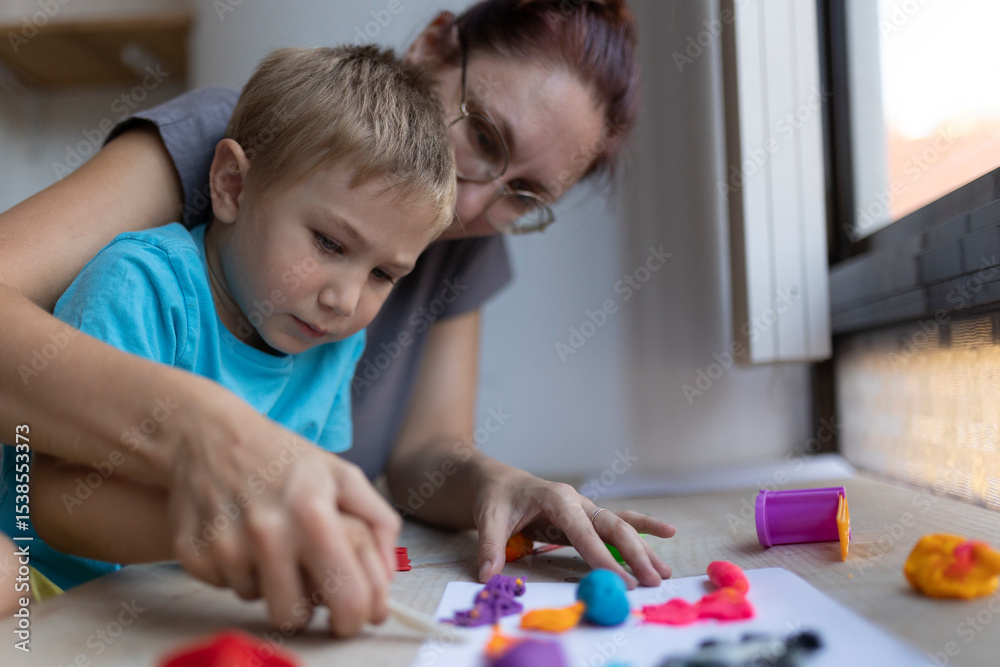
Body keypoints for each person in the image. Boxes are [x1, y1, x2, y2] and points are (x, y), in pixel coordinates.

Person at [0, 0, 675, 637]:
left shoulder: (427, 272)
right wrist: (207, 443)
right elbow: (54, 494)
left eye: (523, 195)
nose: (472, 205)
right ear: (436, 44)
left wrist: (501, 480)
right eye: (484, 136)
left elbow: (424, 455)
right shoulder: (228, 162)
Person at [3, 44, 456, 595]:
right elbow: (53, 502)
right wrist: (223, 532)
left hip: (177, 600)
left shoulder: (336, 342)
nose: (345, 298)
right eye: (329, 243)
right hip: (47, 587)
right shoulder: (141, 284)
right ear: (232, 186)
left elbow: (309, 486)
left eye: (384, 274)